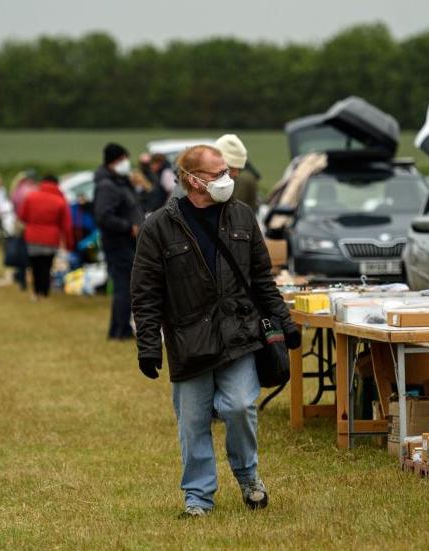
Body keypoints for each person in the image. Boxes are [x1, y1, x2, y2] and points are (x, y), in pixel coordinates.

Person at [131, 145, 301, 518]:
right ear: (192, 180)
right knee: (192, 424)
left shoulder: (241, 216)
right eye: (217, 174)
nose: (227, 179)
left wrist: (285, 325)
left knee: (239, 406)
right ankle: (198, 498)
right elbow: (145, 294)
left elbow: (262, 280)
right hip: (187, 341)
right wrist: (147, 346)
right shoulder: (158, 226)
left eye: (227, 171)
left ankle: (248, 477)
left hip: (239, 334)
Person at [94, 142, 144, 340]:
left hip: (125, 243)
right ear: (115, 161)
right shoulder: (108, 185)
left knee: (126, 287)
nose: (127, 163)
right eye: (124, 159)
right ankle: (120, 330)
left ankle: (118, 329)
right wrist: (128, 227)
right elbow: (103, 216)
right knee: (125, 287)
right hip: (118, 243)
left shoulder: (119, 181)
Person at [18, 174, 74, 299]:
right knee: (46, 265)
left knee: (35, 265)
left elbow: (22, 216)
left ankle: (36, 292)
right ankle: (45, 292)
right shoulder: (60, 200)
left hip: (32, 237)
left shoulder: (30, 197)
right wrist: (69, 244)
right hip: (51, 238)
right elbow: (66, 225)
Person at [3, 170, 37, 290]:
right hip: (31, 224)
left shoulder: (17, 190)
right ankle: (32, 278)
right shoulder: (33, 190)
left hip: (19, 224)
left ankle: (22, 280)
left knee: (20, 251)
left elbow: (12, 203)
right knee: (32, 252)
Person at [216, 134, 261, 213]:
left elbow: (233, 209)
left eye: (237, 168)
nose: (235, 174)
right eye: (231, 168)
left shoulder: (243, 178)